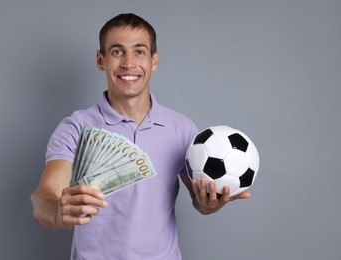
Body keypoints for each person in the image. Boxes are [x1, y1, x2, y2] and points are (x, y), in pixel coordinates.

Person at [30, 13, 250, 260]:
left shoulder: (182, 128)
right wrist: (58, 210)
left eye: (139, 52)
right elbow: (43, 197)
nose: (128, 63)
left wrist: (209, 204)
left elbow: (199, 200)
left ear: (154, 60)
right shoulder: (76, 127)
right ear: (100, 60)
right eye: (117, 52)